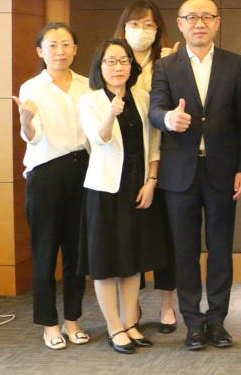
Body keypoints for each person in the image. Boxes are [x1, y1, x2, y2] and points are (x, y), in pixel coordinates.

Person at [149, 0, 241, 351]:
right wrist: (169, 119)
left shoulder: (235, 64)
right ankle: (193, 323)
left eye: (207, 17)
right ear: (180, 24)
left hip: (223, 170)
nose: (199, 23)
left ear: (217, 23)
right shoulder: (166, 66)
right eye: (191, 17)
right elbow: (155, 110)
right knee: (186, 251)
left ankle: (218, 321)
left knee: (221, 250)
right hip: (180, 173)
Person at [78, 38, 169, 354]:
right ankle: (114, 326)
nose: (118, 67)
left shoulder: (143, 97)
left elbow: (155, 143)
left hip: (138, 187)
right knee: (106, 262)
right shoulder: (90, 100)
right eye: (111, 61)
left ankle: (130, 323)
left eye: (124, 61)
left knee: (132, 261)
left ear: (132, 66)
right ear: (99, 67)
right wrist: (111, 113)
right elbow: (98, 138)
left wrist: (152, 181)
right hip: (105, 190)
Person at [14, 23, 92, 350]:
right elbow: (33, 137)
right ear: (40, 51)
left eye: (66, 44)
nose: (60, 51)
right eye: (52, 45)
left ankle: (72, 319)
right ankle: (49, 324)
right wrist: (25, 121)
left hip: (83, 171)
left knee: (77, 252)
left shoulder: (88, 85)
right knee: (45, 252)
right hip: (46, 174)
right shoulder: (32, 88)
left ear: (75, 49)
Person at [112, 0, 179, 334]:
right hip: (127, 161)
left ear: (159, 29)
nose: (141, 31)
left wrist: (174, 65)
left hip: (168, 157)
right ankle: (132, 304)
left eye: (149, 25)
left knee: (168, 233)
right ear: (124, 28)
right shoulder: (115, 61)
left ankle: (167, 304)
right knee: (130, 235)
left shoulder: (168, 61)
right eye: (134, 24)